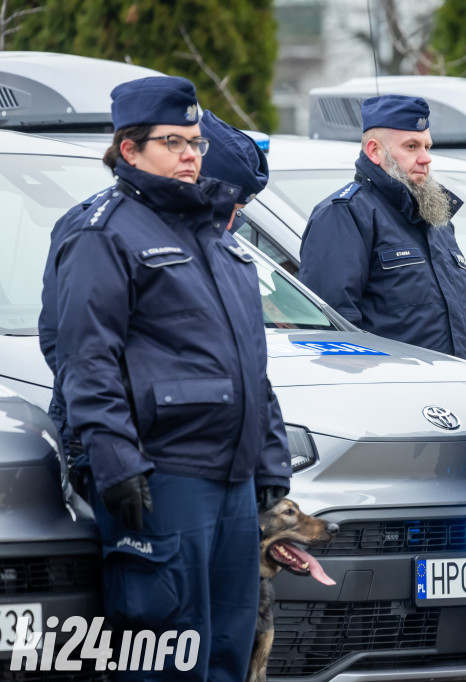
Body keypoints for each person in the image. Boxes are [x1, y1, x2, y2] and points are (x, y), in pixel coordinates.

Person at [51, 76, 290, 681]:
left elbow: (250, 362)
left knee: (230, 650)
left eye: (195, 142)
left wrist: (269, 460)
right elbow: (86, 358)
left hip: (232, 478)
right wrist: (117, 463)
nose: (190, 155)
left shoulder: (213, 235)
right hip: (165, 475)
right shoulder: (104, 233)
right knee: (167, 650)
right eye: (172, 142)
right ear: (129, 150)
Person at [39, 108, 271, 461]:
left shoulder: (208, 232)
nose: (231, 223)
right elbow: (72, 347)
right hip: (134, 439)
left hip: (202, 443)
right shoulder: (97, 226)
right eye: (229, 208)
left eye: (238, 211)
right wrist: (124, 442)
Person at [298, 94, 466, 361]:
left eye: (427, 147)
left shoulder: (434, 215)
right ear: (374, 151)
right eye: (412, 146)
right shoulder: (345, 214)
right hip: (391, 383)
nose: (425, 158)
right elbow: (332, 334)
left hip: (455, 380)